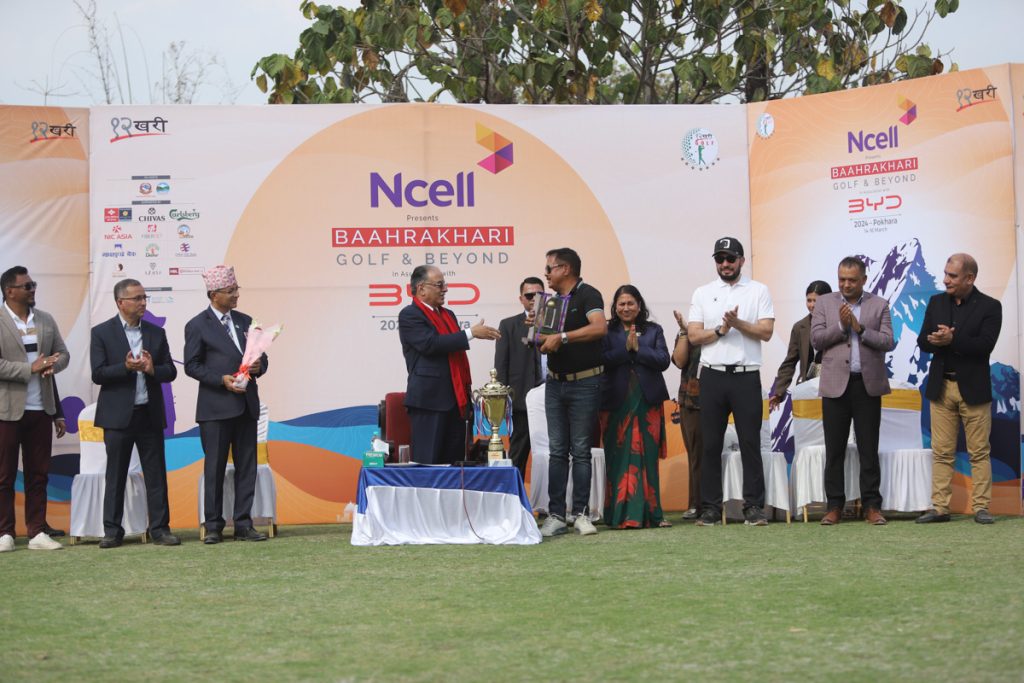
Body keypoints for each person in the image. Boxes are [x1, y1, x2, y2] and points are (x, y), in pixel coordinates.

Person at [687, 237, 774, 526]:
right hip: (712, 375)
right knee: (711, 444)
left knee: (750, 442)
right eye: (719, 259)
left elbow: (766, 331)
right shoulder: (703, 292)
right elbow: (694, 335)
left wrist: (738, 324)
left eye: (730, 259)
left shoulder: (758, 290)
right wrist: (721, 330)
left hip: (746, 375)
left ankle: (753, 506)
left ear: (741, 261)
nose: (725, 264)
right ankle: (711, 508)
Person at [91, 279, 179, 548]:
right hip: (117, 417)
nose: (143, 302)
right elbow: (98, 374)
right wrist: (126, 368)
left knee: (156, 475)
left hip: (149, 414)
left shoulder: (156, 332)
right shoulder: (102, 332)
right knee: (116, 475)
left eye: (144, 297)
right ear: (121, 302)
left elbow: (170, 371)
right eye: (137, 298)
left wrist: (152, 370)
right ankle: (112, 531)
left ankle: (160, 529)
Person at [184, 265, 269, 544]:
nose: (236, 295)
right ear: (214, 294)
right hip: (215, 409)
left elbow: (262, 358)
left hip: (246, 406)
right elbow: (192, 365)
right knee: (215, 469)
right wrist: (220, 380)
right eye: (230, 291)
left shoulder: (247, 321)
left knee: (247, 467)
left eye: (236, 289)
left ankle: (243, 523)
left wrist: (258, 366)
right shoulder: (197, 325)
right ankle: (213, 526)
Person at [916, 253, 1001, 525]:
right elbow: (922, 341)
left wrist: (952, 339)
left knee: (979, 452)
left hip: (973, 389)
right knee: (941, 452)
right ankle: (940, 508)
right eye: (945, 273)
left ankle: (981, 508)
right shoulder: (936, 302)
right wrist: (935, 339)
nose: (945, 280)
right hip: (941, 388)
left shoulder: (990, 306)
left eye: (952, 276)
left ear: (969, 278)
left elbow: (985, 346)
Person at [811, 256, 895, 526]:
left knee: (868, 449)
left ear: (864, 280)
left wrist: (860, 329)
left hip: (866, 386)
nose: (846, 285)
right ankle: (835, 506)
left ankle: (872, 506)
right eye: (842, 279)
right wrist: (842, 326)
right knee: (834, 450)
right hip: (835, 386)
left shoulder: (879, 305)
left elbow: (888, 341)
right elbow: (817, 339)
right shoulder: (825, 303)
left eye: (852, 280)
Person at [399, 265, 500, 465]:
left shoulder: (448, 315)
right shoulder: (410, 315)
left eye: (444, 284)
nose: (445, 289)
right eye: (439, 285)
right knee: (428, 463)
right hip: (429, 403)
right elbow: (430, 344)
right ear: (421, 289)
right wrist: (470, 333)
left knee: (455, 466)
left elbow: (453, 349)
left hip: (455, 401)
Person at [538, 248, 607, 537]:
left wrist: (562, 337)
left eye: (549, 269)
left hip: (585, 383)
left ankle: (580, 514)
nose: (546, 274)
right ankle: (556, 515)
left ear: (565, 269)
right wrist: (537, 334)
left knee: (580, 450)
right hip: (555, 383)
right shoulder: (551, 301)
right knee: (557, 451)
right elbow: (546, 340)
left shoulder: (589, 294)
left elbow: (599, 328)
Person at [0, 266, 69, 552]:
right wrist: (30, 368)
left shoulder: (45, 319)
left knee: (38, 475)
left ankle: (37, 532)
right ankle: (5, 533)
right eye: (27, 286)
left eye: (34, 285)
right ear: (10, 291)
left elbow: (63, 354)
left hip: (41, 409)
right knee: (3, 476)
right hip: (6, 411)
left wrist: (53, 364)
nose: (33, 290)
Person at [600, 285, 671, 528]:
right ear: (615, 307)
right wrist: (625, 350)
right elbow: (601, 360)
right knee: (617, 458)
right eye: (621, 304)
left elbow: (663, 360)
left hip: (647, 402)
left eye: (631, 303)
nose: (626, 308)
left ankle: (653, 514)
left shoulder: (653, 330)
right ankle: (618, 516)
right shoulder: (606, 331)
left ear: (639, 306)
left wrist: (639, 349)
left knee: (648, 458)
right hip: (615, 403)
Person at [494, 276, 545, 478]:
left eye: (538, 294)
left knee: (555, 454)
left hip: (556, 396)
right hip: (522, 400)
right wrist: (504, 401)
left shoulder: (560, 323)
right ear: (521, 298)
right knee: (518, 454)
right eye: (529, 295)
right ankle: (514, 494)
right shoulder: (508, 325)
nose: (534, 299)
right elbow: (501, 365)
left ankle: (551, 497)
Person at [768, 280, 833, 411]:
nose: (812, 305)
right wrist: (779, 392)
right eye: (809, 300)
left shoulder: (839, 324)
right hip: (807, 390)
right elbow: (790, 362)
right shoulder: (799, 327)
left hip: (833, 389)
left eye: (816, 301)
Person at [670, 309, 701, 520]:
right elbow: (679, 361)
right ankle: (697, 503)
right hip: (692, 399)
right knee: (696, 453)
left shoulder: (726, 328)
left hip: (724, 395)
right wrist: (684, 331)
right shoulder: (690, 330)